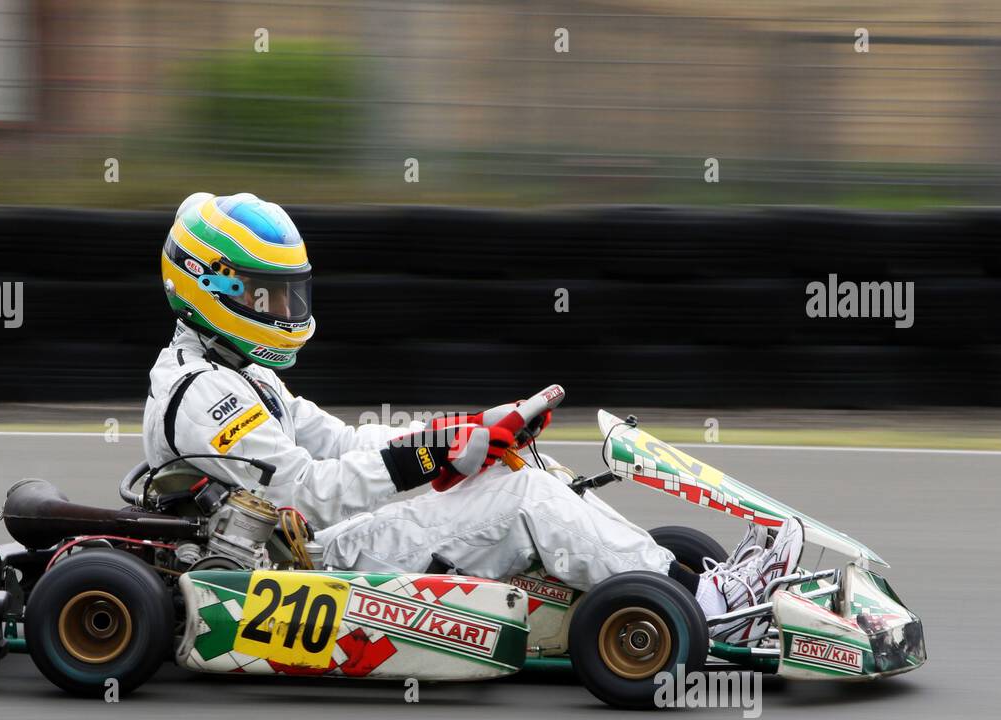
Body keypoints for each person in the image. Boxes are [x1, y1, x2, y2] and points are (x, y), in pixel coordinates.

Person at [142, 192, 803, 630]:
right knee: (520, 499)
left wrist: (468, 432)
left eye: (290, 297)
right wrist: (433, 454)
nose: (285, 313)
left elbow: (342, 444)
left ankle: (680, 581)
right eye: (269, 297)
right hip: (301, 563)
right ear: (213, 287)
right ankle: (710, 604)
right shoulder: (201, 393)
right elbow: (308, 492)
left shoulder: (243, 372)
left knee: (520, 467)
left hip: (313, 538)